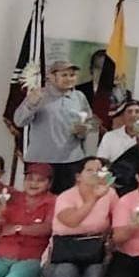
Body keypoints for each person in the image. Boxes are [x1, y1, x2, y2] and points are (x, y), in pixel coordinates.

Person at [38, 156, 118, 277]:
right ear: (78, 176)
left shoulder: (110, 194)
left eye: (98, 170)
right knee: (67, 272)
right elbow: (72, 221)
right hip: (63, 253)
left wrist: (110, 243)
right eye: (89, 170)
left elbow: (117, 221)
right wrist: (93, 199)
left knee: (96, 273)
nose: (95, 174)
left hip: (94, 251)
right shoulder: (65, 197)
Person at [13, 60, 95, 194]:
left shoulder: (79, 97)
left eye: (72, 75)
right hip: (41, 160)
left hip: (71, 161)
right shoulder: (38, 95)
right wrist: (30, 105)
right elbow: (19, 122)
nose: (69, 79)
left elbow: (89, 123)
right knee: (37, 199)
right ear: (51, 77)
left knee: (66, 200)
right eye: (64, 75)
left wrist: (84, 130)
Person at [97, 100, 139, 195]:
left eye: (137, 112)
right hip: (114, 184)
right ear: (123, 117)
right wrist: (110, 184)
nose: (133, 115)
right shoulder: (110, 136)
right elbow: (101, 164)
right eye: (129, 112)